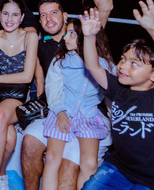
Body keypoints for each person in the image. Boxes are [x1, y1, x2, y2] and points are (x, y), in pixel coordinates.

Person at [21, 0, 114, 190]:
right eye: (42, 15)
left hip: (88, 116)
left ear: (65, 15)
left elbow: (105, 6)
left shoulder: (86, 37)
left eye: (53, 13)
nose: (47, 18)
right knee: (29, 143)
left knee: (69, 165)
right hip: (58, 111)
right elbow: (45, 81)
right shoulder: (41, 44)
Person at [81, 0, 154, 190]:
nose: (122, 66)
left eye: (134, 63)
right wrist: (89, 36)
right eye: (123, 59)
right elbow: (93, 66)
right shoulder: (119, 90)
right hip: (121, 168)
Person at [42, 18, 114, 190]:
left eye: (72, 34)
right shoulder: (60, 61)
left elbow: (111, 94)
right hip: (63, 111)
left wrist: (115, 118)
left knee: (89, 164)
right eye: (66, 32)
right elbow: (52, 87)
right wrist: (60, 112)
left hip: (88, 114)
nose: (65, 37)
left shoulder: (104, 65)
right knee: (52, 158)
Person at [0, 0, 38, 190]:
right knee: (10, 140)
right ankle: (1, 175)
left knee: (1, 117)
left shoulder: (30, 36)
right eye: (5, 14)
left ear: (22, 17)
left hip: (19, 98)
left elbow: (27, 77)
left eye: (15, 15)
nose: (9, 19)